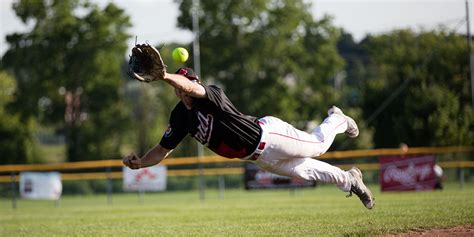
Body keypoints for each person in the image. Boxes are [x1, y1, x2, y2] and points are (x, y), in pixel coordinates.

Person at [123, 67, 375, 209]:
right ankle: (350, 179)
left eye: (188, 82)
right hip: (259, 158)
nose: (185, 86)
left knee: (317, 146)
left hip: (270, 136)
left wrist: (165, 76)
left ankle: (338, 119)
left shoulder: (211, 95)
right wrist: (141, 163)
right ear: (176, 92)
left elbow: (192, 87)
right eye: (181, 84)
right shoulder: (180, 116)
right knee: (310, 172)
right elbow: (163, 148)